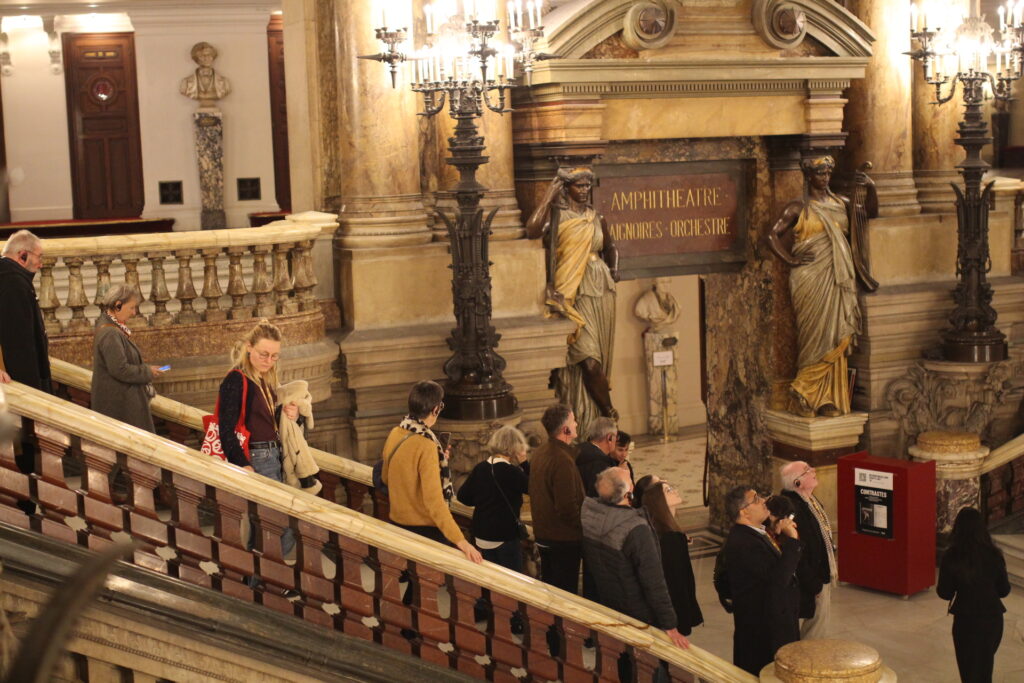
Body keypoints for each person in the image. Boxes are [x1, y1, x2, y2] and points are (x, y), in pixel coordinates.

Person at [767, 155, 877, 418]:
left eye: (828, 173)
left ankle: (826, 399)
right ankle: (804, 391)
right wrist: (791, 259)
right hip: (810, 278)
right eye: (820, 173)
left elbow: (869, 213)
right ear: (809, 176)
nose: (825, 178)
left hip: (839, 278)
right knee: (813, 335)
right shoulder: (798, 207)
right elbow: (771, 235)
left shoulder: (843, 203)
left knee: (836, 332)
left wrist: (870, 187)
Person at [526, 166, 619, 441]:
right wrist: (548, 196)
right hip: (571, 291)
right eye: (578, 185)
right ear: (566, 188)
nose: (584, 190)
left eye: (587, 186)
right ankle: (609, 411)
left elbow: (610, 246)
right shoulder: (557, 216)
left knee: (598, 356)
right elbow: (532, 230)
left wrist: (614, 269)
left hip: (600, 291)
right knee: (588, 360)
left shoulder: (596, 217)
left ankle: (596, 420)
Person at [217, 320, 300, 568]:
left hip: (272, 456)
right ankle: (261, 582)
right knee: (278, 525)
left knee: (268, 526)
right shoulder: (236, 379)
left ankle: (259, 583)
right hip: (257, 458)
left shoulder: (264, 379)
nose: (269, 361)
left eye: (275, 356)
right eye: (264, 354)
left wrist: (289, 414)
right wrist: (242, 464)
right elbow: (226, 427)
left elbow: (264, 421)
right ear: (248, 347)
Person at [580, 467, 689, 649]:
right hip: (640, 613)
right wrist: (669, 624)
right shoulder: (636, 528)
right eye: (630, 479)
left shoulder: (590, 514)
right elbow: (653, 581)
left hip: (610, 603)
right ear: (627, 494)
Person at [382, 380, 482, 564]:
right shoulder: (427, 445)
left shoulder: (395, 433)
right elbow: (434, 502)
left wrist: (435, 461)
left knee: (414, 587)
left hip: (397, 523)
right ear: (435, 409)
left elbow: (385, 477)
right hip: (424, 532)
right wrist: (461, 541)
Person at [722, 485, 801, 675]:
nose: (764, 501)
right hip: (763, 631)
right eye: (756, 499)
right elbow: (778, 579)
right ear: (744, 512)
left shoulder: (758, 532)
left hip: (773, 623)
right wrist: (793, 541)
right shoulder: (744, 543)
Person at [937, 507, 1011, 683]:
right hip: (993, 620)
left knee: (969, 673)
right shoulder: (994, 554)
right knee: (984, 670)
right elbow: (1004, 590)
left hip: (966, 622)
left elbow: (945, 593)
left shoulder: (952, 556)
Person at [90, 284, 165, 432]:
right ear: (118, 305)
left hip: (121, 403)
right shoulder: (110, 333)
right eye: (131, 308)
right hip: (120, 408)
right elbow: (120, 369)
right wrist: (147, 372)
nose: (134, 312)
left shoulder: (112, 328)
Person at [528, 404, 586, 593]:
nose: (577, 424)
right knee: (565, 595)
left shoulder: (540, 452)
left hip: (545, 534)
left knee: (552, 592)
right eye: (573, 420)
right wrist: (585, 527)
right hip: (563, 539)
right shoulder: (562, 460)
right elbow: (567, 507)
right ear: (565, 429)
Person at [456, 425, 530, 571]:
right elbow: (534, 488)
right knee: (513, 582)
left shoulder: (481, 467)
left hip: (482, 536)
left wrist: (484, 500)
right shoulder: (512, 472)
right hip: (504, 536)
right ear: (514, 447)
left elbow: (463, 496)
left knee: (491, 581)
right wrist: (525, 464)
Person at [779, 461, 837, 639]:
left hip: (820, 571)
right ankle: (809, 662)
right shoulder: (792, 508)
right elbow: (798, 552)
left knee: (820, 623)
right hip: (811, 579)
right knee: (815, 630)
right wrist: (813, 584)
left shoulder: (809, 499)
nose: (814, 470)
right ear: (797, 483)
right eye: (806, 471)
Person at [642, 480, 703, 636]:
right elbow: (676, 582)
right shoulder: (669, 538)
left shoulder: (668, 530)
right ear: (659, 501)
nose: (674, 490)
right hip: (673, 609)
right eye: (668, 490)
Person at [0, 230, 49, 391]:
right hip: (18, 384)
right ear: (23, 255)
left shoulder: (10, 277)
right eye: (39, 256)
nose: (40, 264)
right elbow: (20, 343)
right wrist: (33, 389)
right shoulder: (14, 283)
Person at [575, 416, 617, 498]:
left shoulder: (577, 449)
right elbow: (601, 497)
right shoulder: (601, 463)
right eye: (616, 436)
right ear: (609, 438)